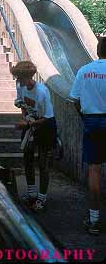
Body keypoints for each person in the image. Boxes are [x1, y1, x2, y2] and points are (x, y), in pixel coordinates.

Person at [69, 36, 106, 235]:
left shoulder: (85, 71)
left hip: (91, 121)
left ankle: (94, 220)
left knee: (94, 171)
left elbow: (74, 98)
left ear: (98, 51)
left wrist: (84, 116)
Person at [11, 61, 57, 211]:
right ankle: (31, 194)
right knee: (27, 158)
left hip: (45, 125)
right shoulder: (20, 87)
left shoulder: (41, 92)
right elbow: (23, 105)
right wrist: (25, 118)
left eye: (19, 77)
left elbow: (47, 117)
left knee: (43, 164)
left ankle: (41, 199)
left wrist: (28, 125)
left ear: (28, 77)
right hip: (30, 122)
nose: (17, 81)